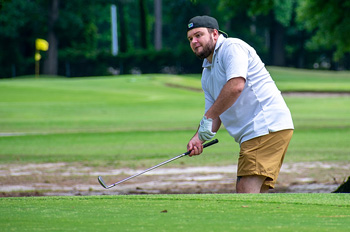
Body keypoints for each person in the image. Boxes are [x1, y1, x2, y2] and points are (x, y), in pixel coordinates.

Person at [186, 15, 294, 193]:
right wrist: (198, 138)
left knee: (245, 190)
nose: (194, 41)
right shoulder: (207, 72)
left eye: (198, 35)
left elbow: (236, 86)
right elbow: (214, 114)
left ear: (214, 33)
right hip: (257, 132)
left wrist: (209, 117)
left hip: (265, 125)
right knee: (252, 193)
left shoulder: (232, 47)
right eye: (190, 39)